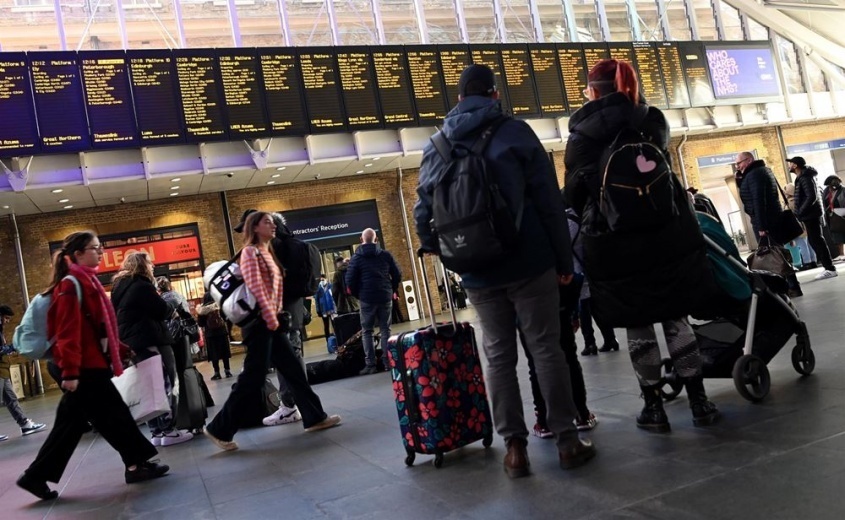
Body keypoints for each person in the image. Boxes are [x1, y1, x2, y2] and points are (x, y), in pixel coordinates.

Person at [415, 64, 595, 477]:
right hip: (529, 260)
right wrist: (563, 261)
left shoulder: (436, 146)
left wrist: (455, 256)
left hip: (477, 271)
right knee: (546, 348)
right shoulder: (515, 132)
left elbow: (423, 215)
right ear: (495, 95)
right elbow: (549, 203)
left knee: (497, 355)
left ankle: (514, 449)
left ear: (459, 99)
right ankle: (567, 441)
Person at [564, 59, 720, 433]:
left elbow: (574, 194)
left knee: (638, 326)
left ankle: (653, 407)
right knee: (676, 318)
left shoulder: (582, 135)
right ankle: (699, 401)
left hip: (616, 246)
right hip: (668, 236)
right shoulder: (653, 121)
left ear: (593, 91)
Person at [17, 231, 168, 501]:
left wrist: (121, 349)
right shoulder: (71, 285)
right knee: (113, 416)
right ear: (77, 254)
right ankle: (136, 464)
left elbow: (97, 327)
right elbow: (67, 333)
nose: (100, 252)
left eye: (100, 247)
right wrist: (71, 373)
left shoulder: (86, 281)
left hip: (87, 365)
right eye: (95, 248)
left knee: (77, 423)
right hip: (82, 369)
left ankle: (36, 477)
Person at [204, 211, 341, 451]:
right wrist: (271, 317)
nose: (273, 225)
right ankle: (219, 428)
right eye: (267, 222)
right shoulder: (251, 252)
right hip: (261, 324)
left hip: (270, 323)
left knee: (293, 370)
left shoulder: (266, 251)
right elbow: (257, 288)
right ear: (255, 228)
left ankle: (315, 417)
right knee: (253, 376)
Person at [232, 210, 305, 427]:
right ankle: (307, 411)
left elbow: (259, 287)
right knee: (288, 364)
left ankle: (297, 409)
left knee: (260, 370)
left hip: (272, 318)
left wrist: (271, 316)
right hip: (283, 315)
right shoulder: (279, 244)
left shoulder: (266, 248)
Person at [111, 253, 193, 446]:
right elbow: (161, 309)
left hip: (133, 344)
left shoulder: (118, 288)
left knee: (147, 387)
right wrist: (171, 308)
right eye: (149, 262)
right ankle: (169, 430)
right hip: (152, 339)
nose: (153, 265)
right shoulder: (142, 285)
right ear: (142, 265)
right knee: (166, 384)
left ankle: (156, 432)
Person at [736, 151, 804, 297]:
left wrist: (761, 226)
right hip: (772, 219)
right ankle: (791, 287)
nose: (737, 166)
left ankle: (785, 288)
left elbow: (759, 200)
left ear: (748, 160)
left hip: (766, 222)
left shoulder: (754, 174)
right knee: (778, 255)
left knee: (772, 257)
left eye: (739, 163)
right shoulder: (762, 171)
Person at [345, 228, 402, 376]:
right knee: (385, 329)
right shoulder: (386, 255)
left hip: (366, 298)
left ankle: (370, 365)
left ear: (361, 239)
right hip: (384, 296)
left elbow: (349, 280)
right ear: (376, 240)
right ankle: (388, 362)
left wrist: (359, 294)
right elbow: (397, 273)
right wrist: (392, 288)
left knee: (367, 331)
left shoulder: (356, 258)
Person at [567, 210, 619, 356]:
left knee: (584, 309)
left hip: (577, 269)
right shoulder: (587, 216)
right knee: (597, 307)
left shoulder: (567, 221)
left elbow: (565, 245)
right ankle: (610, 338)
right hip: (592, 267)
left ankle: (590, 343)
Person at [0, 305, 47, 441]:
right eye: (6, 318)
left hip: (3, 369)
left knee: (11, 399)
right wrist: (10, 348)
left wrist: (8, 348)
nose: (7, 321)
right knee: (10, 399)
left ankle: (25, 424)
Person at [788, 156, 838, 280]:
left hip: (811, 214)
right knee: (815, 240)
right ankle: (828, 268)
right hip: (810, 214)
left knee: (817, 241)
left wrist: (800, 211)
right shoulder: (803, 177)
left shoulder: (805, 177)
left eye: (791, 163)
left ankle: (830, 268)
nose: (789, 165)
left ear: (795, 165)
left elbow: (811, 196)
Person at [196, 293, 232, 380]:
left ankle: (217, 373)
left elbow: (201, 324)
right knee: (224, 352)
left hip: (210, 334)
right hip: (222, 332)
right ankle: (227, 371)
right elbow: (225, 317)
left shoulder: (202, 310)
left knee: (214, 354)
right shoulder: (219, 306)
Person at [784, 183, 817, 270]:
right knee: (808, 244)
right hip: (804, 224)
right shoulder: (800, 199)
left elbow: (788, 215)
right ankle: (813, 261)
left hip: (797, 227)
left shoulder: (790, 202)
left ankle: (807, 262)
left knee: (802, 245)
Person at [822, 174, 845, 258]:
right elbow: (824, 202)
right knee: (837, 235)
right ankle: (841, 254)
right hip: (832, 216)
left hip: (842, 215)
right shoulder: (826, 191)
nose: (830, 188)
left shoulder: (843, 190)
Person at [314, 274, 335, 338]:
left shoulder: (330, 286)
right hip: (324, 310)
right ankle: (328, 339)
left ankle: (337, 338)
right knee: (326, 326)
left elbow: (334, 296)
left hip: (331, 309)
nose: (322, 281)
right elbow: (316, 300)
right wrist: (318, 310)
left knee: (334, 324)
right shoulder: (318, 288)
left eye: (323, 279)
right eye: (321, 280)